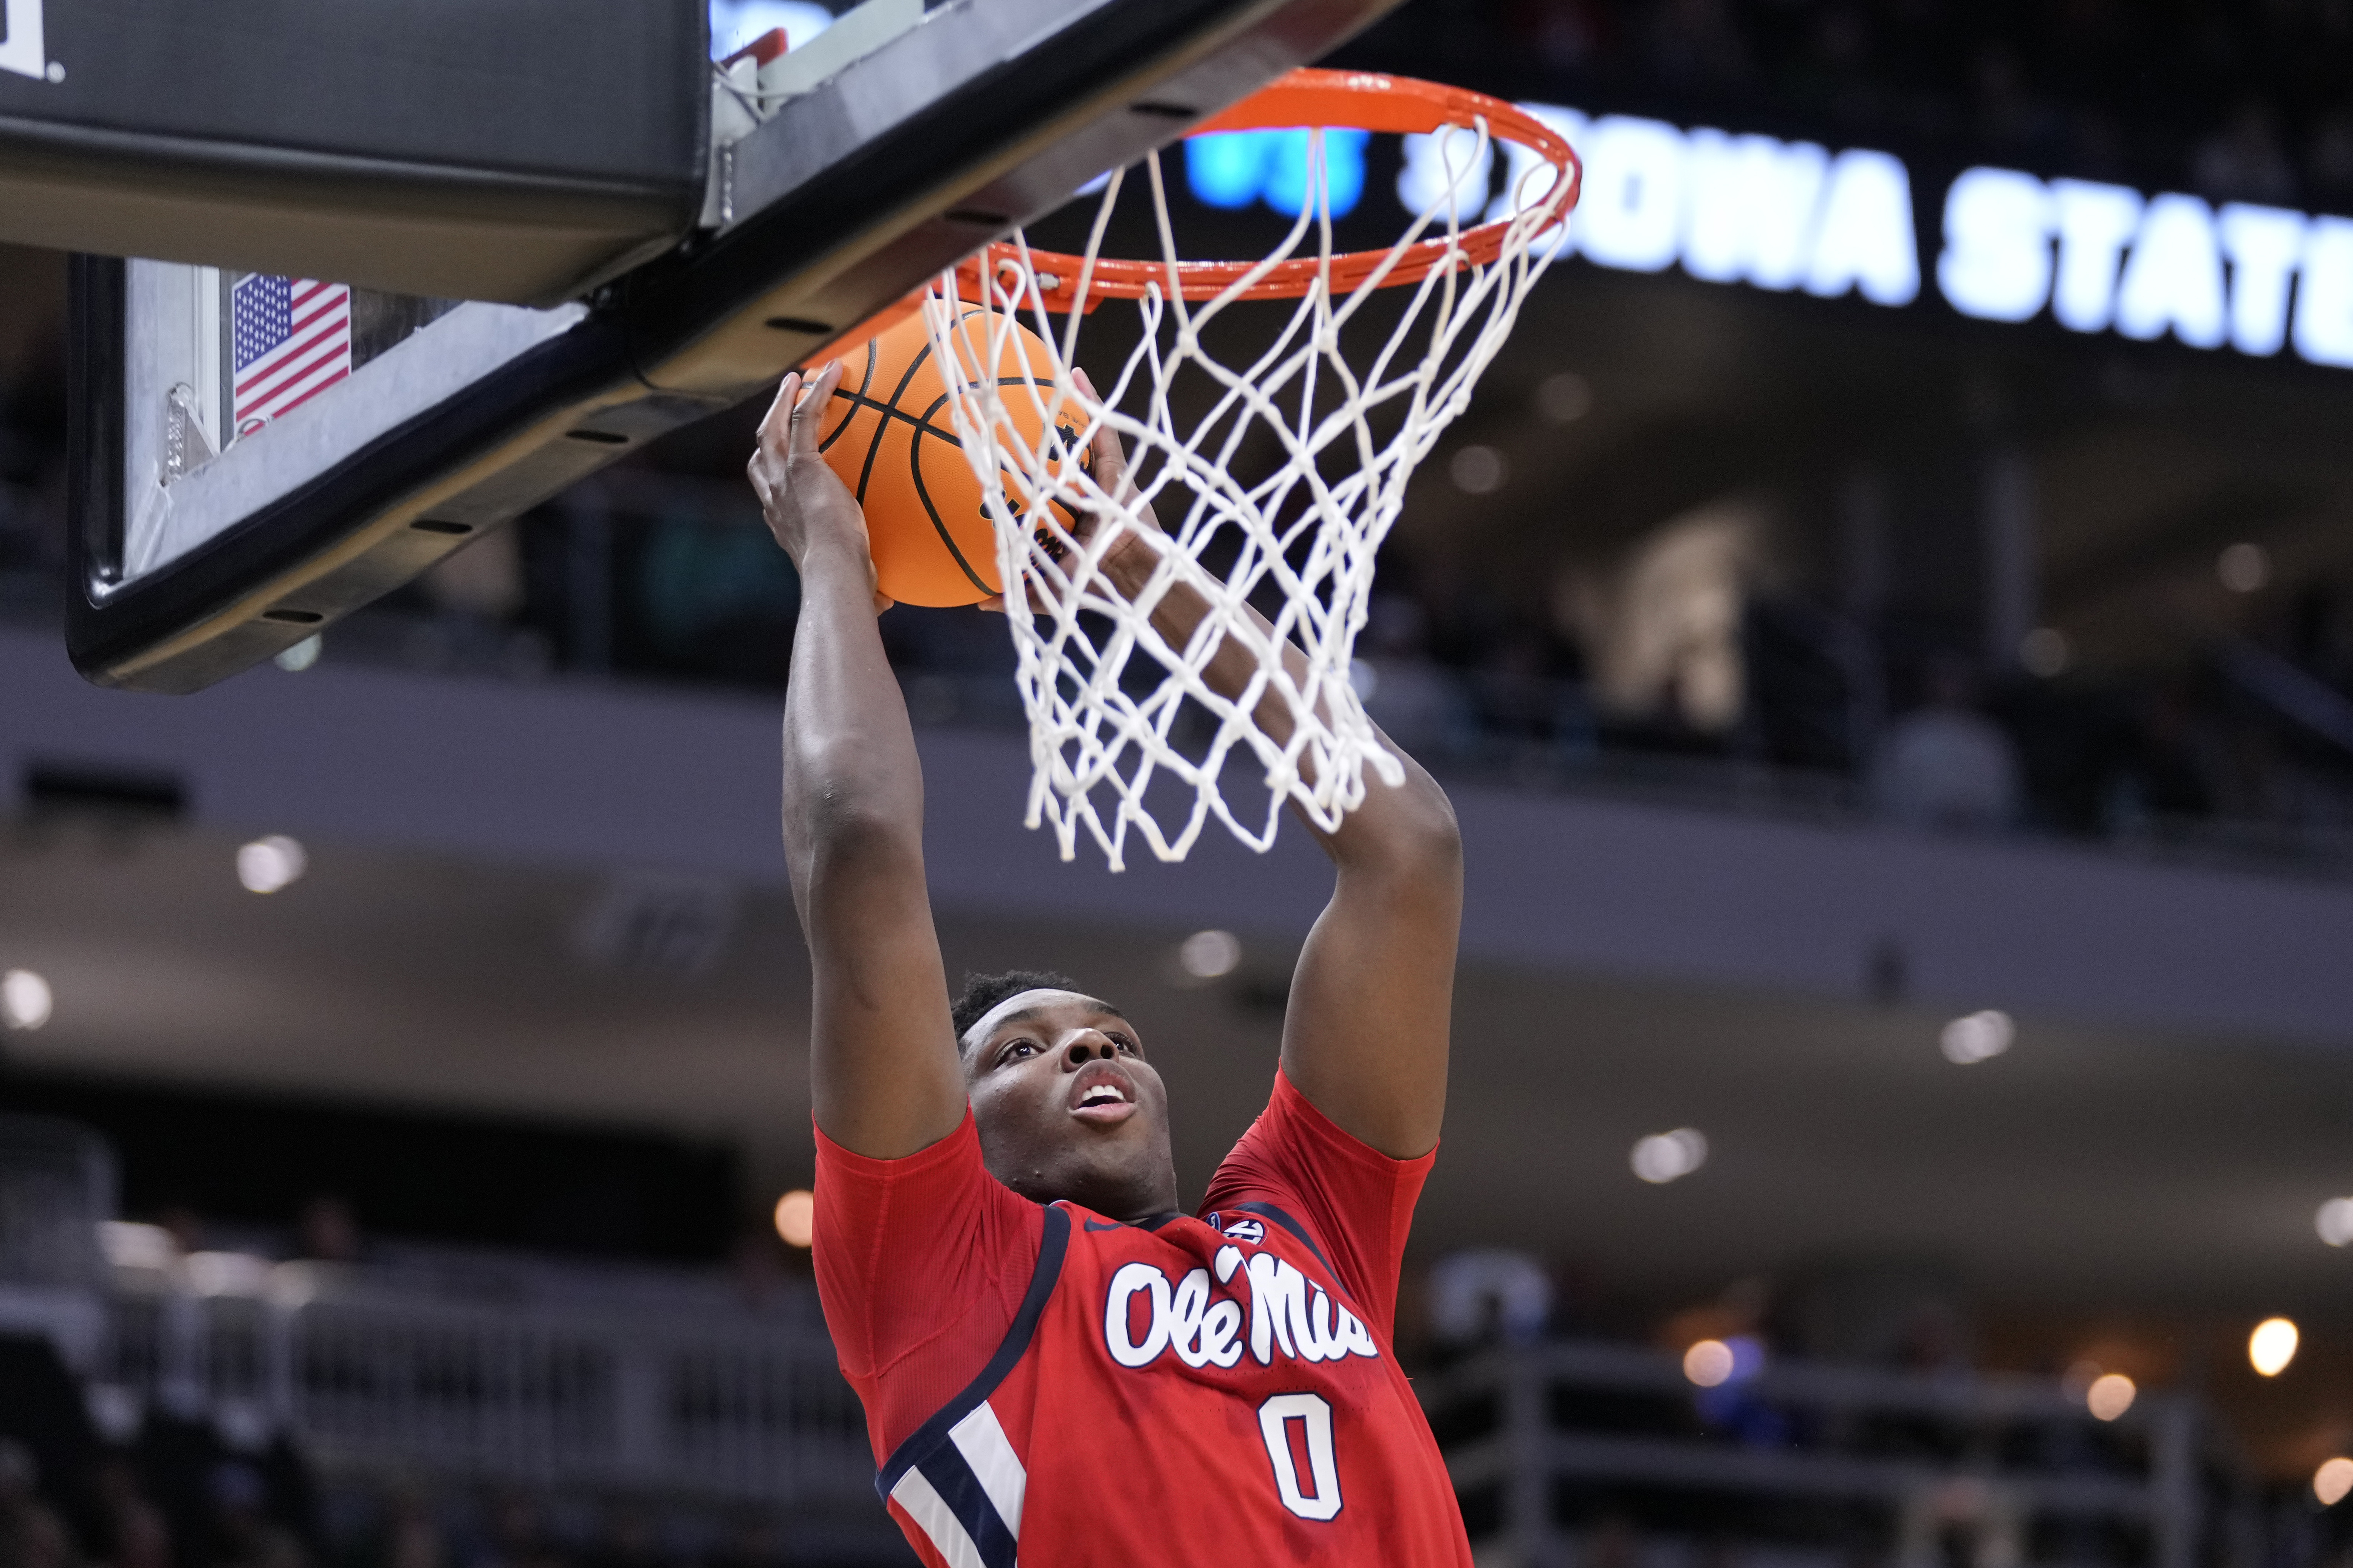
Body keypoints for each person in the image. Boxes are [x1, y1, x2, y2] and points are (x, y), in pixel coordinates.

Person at [750, 359, 1471, 1566]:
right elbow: (860, 844)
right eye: (1019, 1051)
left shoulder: (1301, 1229)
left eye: (1110, 1036)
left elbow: (1410, 853)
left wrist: (1137, 569)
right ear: (949, 1124)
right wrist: (834, 559)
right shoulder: (938, 1279)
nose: (1089, 1044)